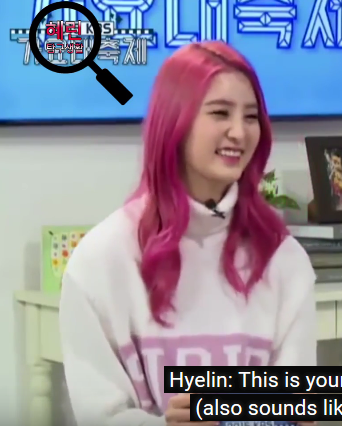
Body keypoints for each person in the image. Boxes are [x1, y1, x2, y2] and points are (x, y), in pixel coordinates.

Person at [58, 41, 317, 426]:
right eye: (220, 113)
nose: (239, 132)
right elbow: (98, 415)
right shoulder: (100, 261)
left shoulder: (284, 259)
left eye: (251, 117)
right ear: (174, 123)